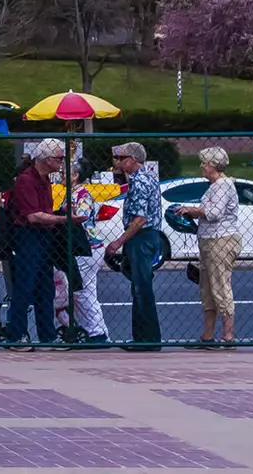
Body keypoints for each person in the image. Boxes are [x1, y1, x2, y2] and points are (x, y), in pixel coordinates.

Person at [1, 139, 66, 348]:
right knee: (25, 286)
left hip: (43, 236)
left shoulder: (45, 180)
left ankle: (47, 335)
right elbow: (33, 216)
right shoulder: (26, 180)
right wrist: (63, 219)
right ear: (46, 159)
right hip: (28, 236)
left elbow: (44, 211)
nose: (61, 162)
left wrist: (55, 218)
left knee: (45, 288)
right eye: (59, 158)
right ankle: (16, 335)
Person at [173, 146, 239, 346]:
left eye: (205, 162)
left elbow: (215, 213)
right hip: (209, 240)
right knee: (207, 288)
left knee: (220, 285)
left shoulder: (223, 185)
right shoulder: (215, 186)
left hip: (221, 240)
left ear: (213, 165)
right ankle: (207, 335)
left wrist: (190, 210)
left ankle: (228, 335)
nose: (202, 166)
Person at [105, 142, 163, 350]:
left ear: (134, 159)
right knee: (139, 285)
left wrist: (120, 241)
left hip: (142, 237)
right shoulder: (147, 179)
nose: (118, 162)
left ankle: (147, 340)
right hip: (146, 237)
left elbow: (139, 219)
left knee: (141, 288)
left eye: (122, 158)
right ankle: (144, 338)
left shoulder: (139, 183)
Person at [55, 181, 108, 345]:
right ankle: (98, 331)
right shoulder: (71, 193)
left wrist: (65, 216)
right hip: (82, 246)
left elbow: (82, 218)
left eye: (66, 171)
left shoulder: (81, 194)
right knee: (84, 290)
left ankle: (96, 332)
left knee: (82, 291)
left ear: (76, 175)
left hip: (85, 245)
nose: (61, 175)